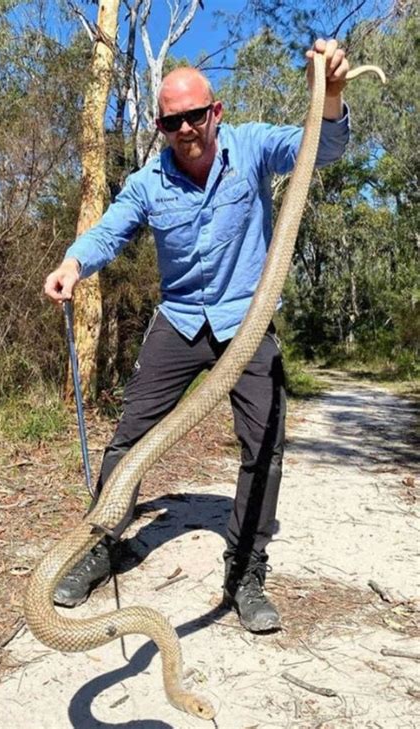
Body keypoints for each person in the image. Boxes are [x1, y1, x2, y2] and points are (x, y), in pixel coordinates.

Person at [45, 39, 351, 632]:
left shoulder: (255, 146)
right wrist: (72, 265)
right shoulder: (148, 182)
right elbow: (108, 232)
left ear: (216, 110)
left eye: (195, 115)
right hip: (181, 319)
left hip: (248, 319)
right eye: (171, 120)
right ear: (160, 125)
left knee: (264, 447)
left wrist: (331, 95)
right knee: (130, 440)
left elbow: (325, 148)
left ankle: (245, 574)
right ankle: (102, 545)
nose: (185, 128)